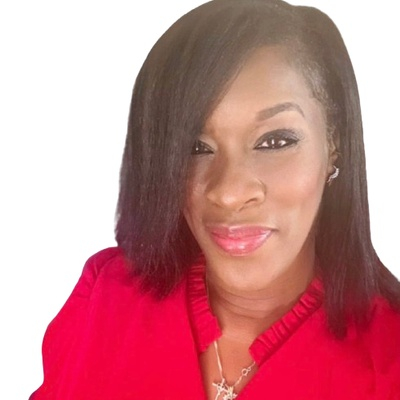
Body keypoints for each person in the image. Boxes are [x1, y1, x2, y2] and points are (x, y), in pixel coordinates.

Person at [30, 0, 400, 399]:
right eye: (196, 147)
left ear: (334, 144)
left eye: (275, 141)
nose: (229, 192)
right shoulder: (103, 300)